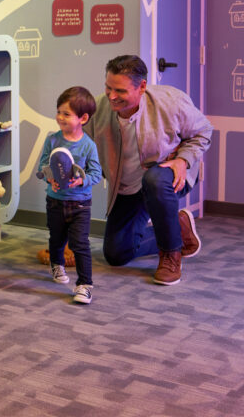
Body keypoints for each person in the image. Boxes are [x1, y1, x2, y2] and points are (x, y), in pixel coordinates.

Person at [84, 55, 212, 285]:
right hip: (128, 186)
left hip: (165, 178)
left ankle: (171, 254)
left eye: (120, 91)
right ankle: (179, 230)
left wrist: (183, 160)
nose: (111, 96)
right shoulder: (98, 108)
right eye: (108, 87)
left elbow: (203, 132)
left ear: (142, 86)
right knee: (116, 254)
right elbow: (82, 146)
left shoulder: (171, 102)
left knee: (154, 180)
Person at [38, 87, 102, 304]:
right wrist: (49, 178)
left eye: (66, 114)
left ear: (83, 118)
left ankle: (84, 285)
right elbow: (43, 166)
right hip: (55, 202)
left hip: (80, 205)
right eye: (58, 112)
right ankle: (57, 264)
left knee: (80, 244)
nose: (60, 117)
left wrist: (82, 180)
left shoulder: (88, 146)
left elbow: (96, 173)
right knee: (56, 239)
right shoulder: (52, 140)